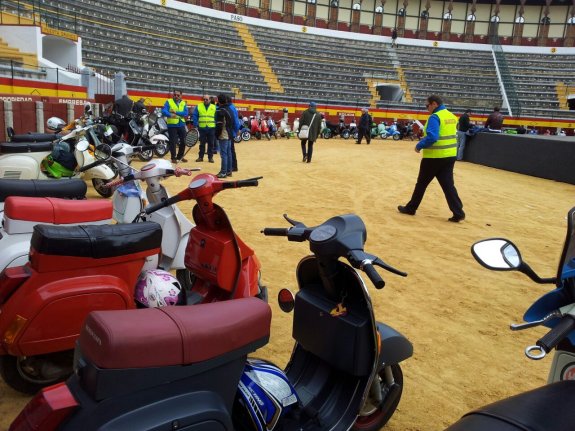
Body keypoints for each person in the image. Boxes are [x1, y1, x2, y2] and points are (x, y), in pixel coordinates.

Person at [398, 94, 465, 222]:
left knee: (421, 184)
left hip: (434, 157)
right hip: (450, 156)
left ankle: (411, 208)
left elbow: (433, 137)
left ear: (434, 104)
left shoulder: (435, 117)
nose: (426, 108)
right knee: (448, 185)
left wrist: (419, 145)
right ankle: (458, 212)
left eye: (427, 105)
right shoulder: (451, 116)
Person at [161, 90, 189, 163]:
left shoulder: (183, 103)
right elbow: (164, 111)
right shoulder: (169, 101)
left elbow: (185, 113)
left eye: (178, 95)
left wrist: (176, 112)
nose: (176, 96)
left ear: (181, 96)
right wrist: (170, 115)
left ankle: (180, 156)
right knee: (173, 142)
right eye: (175, 95)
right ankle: (173, 158)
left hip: (181, 124)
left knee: (184, 141)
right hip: (172, 125)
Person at [192, 94, 216, 163]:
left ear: (210, 100)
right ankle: (200, 157)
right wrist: (195, 124)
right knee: (202, 144)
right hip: (202, 128)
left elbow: (216, 117)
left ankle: (210, 157)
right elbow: (195, 115)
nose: (205, 100)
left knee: (211, 143)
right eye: (204, 99)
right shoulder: (199, 106)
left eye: (206, 99)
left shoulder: (214, 107)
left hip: (211, 128)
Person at [215, 94, 235, 178]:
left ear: (218, 101)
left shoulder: (220, 111)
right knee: (228, 153)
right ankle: (229, 171)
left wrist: (217, 135)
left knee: (223, 154)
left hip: (223, 133)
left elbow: (219, 125)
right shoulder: (229, 109)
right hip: (229, 133)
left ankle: (223, 172)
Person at [226, 95, 241, 171]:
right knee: (231, 149)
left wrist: (237, 130)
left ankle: (233, 166)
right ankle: (233, 166)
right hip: (231, 130)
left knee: (230, 149)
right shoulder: (232, 107)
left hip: (229, 131)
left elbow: (235, 120)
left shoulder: (230, 108)